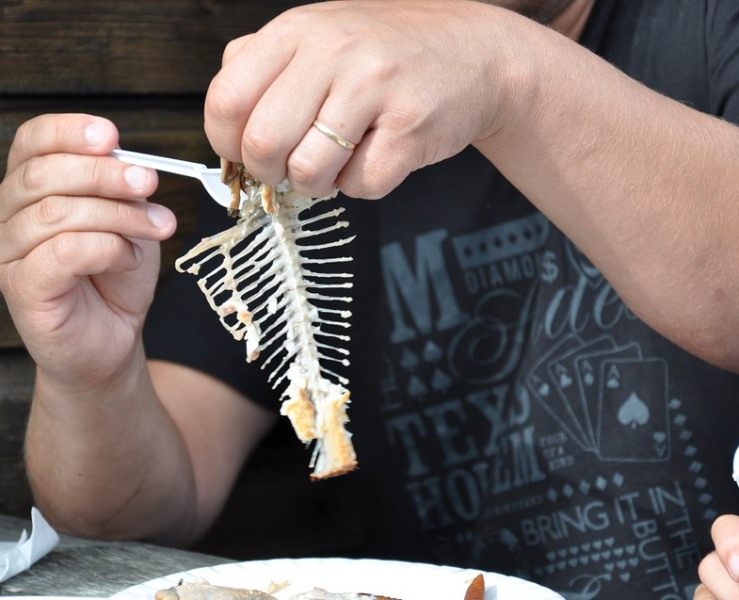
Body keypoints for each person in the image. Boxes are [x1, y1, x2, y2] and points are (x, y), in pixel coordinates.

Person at [2, 0, 739, 598]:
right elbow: (137, 509)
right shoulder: (325, 101)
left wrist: (504, 66)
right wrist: (91, 374)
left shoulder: (704, 26)